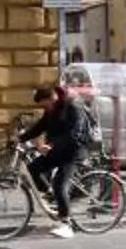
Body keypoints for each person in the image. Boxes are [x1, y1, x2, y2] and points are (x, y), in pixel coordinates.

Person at [21, 80, 86, 237]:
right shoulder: (51, 109)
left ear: (53, 97)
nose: (45, 108)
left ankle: (67, 224)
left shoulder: (72, 107)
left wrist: (51, 145)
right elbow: (40, 126)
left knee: (59, 184)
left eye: (45, 104)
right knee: (33, 169)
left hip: (73, 152)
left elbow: (74, 134)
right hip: (56, 150)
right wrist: (20, 138)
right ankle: (50, 196)